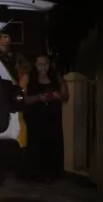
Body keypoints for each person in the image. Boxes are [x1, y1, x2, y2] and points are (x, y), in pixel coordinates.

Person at [19, 53, 69, 181]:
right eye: (40, 64)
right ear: (35, 65)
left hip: (53, 116)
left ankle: (52, 174)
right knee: (36, 144)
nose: (43, 67)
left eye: (46, 64)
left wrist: (59, 96)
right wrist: (37, 98)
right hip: (35, 116)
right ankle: (34, 174)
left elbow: (65, 95)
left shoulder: (56, 76)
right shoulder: (28, 77)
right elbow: (21, 99)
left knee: (53, 144)